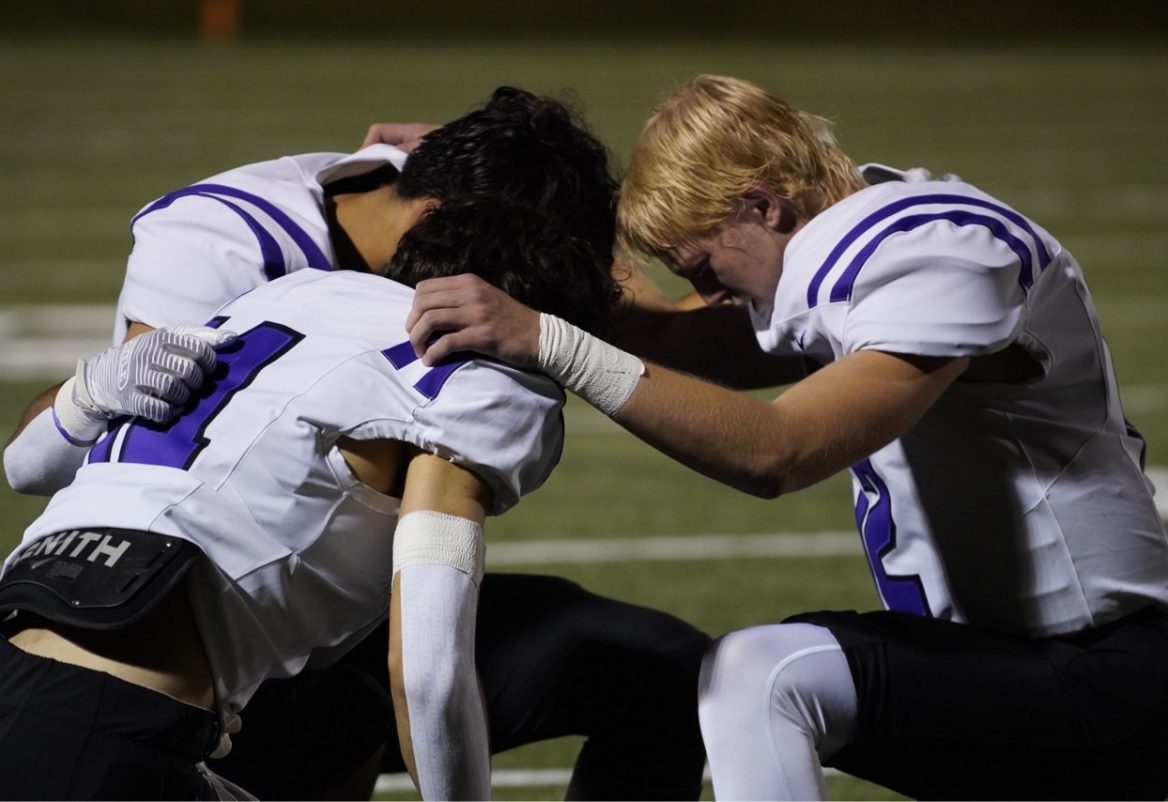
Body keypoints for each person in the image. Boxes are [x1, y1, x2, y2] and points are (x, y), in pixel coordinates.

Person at [403, 74, 1168, 800]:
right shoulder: (878, 241)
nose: (704, 295)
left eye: (703, 266)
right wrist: (510, 193)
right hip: (1009, 669)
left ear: (763, 206)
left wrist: (549, 342)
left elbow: (779, 450)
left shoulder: (932, 253)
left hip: (1103, 675)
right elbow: (671, 341)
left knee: (761, 674)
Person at [0, 87, 710, 800]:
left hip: (23, 667)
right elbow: (425, 668)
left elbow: (29, 461)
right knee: (344, 699)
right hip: (161, 705)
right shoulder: (472, 370)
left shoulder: (285, 294)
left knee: (357, 707)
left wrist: (81, 397)